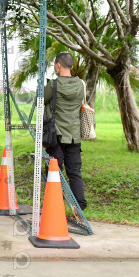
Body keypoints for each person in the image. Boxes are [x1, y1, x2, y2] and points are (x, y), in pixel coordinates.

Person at [44, 52, 87, 213]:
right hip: (74, 135)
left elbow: (40, 100)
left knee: (54, 171)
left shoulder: (54, 85)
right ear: (72, 66)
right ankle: (80, 206)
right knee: (74, 172)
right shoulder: (80, 84)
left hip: (56, 135)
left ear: (58, 65)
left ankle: (55, 205)